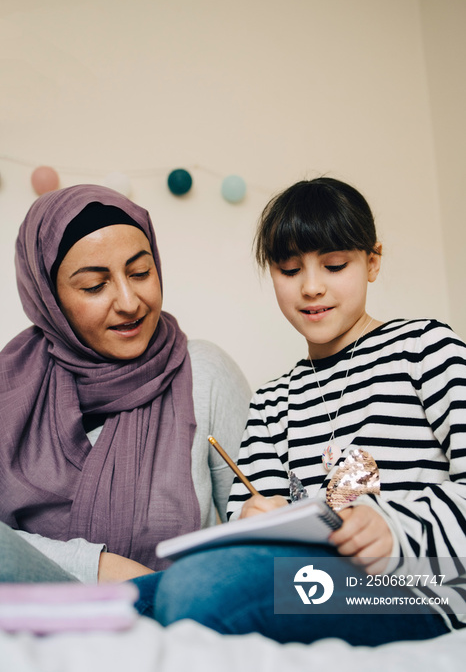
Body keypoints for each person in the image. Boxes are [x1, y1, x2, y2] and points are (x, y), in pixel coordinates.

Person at [152, 177, 465, 645]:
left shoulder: (426, 349)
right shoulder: (273, 400)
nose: (312, 287)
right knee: (136, 596)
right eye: (290, 270)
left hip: (429, 580)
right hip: (319, 581)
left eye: (335, 265)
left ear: (372, 261)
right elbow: (249, 538)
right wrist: (253, 520)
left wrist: (395, 529)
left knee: (195, 590)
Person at [0, 184, 251, 599]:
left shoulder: (203, 372)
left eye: (140, 273)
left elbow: (256, 529)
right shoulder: (11, 392)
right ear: (49, 298)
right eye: (95, 286)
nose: (130, 301)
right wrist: (98, 568)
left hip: (190, 638)